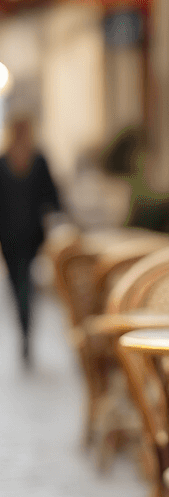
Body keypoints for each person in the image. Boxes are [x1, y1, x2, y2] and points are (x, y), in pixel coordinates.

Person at [0, 117, 61, 364]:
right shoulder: (3, 162)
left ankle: (27, 331)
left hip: (33, 237)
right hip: (9, 237)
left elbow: (53, 196)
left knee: (27, 284)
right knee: (17, 284)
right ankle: (24, 329)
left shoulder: (39, 160)